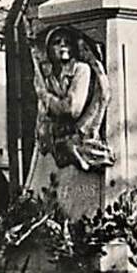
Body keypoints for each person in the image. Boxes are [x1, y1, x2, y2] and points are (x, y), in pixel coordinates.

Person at [30, 25, 115, 172]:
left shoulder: (81, 69)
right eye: (57, 42)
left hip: (80, 133)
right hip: (57, 139)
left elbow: (71, 109)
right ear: (48, 49)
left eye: (67, 42)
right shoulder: (48, 77)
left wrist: (45, 96)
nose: (63, 45)